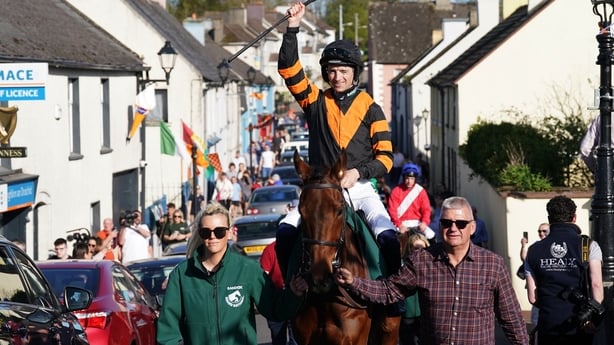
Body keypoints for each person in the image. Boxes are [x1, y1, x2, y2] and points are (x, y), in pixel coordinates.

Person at [277, 2, 401, 301]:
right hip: (321, 191)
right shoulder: (314, 101)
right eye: (331, 71)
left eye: (343, 71)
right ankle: (290, 291)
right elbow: (288, 69)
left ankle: (395, 297)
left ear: (354, 73)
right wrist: (292, 27)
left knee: (388, 238)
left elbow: (385, 157)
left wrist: (359, 172)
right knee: (284, 233)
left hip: (359, 189)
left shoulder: (372, 109)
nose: (337, 77)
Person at [332, 196, 530, 345]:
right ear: (440, 224)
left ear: (472, 228)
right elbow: (389, 291)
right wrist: (353, 282)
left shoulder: (492, 264)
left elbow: (511, 318)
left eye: (460, 224)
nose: (453, 228)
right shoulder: (422, 260)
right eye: (446, 222)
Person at [156, 202, 303, 345]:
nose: (212, 237)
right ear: (200, 234)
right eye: (206, 232)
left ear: (229, 232)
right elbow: (168, 330)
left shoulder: (248, 269)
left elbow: (275, 308)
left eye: (219, 231)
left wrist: (293, 294)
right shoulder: (182, 275)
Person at [525, 196, 604, 345]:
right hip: (581, 323)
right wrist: (591, 317)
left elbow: (533, 298)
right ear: (574, 217)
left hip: (549, 324)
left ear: (549, 219)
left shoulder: (533, 250)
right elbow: (597, 286)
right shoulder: (588, 245)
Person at [260, 241, 297, 345]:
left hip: (294, 298)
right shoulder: (270, 250)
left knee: (295, 338)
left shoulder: (298, 249)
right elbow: (263, 277)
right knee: (278, 338)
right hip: (276, 300)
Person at [387, 163, 435, 243]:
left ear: (415, 178)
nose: (409, 181)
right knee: (390, 241)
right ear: (403, 177)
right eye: (407, 178)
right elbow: (392, 211)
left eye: (412, 178)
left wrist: (424, 222)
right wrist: (399, 225)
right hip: (400, 223)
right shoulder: (396, 191)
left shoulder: (421, 191)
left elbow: (426, 209)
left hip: (417, 223)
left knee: (432, 236)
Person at [398, 233, 429, 345]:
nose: (419, 251)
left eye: (422, 248)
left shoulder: (432, 266)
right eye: (416, 248)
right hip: (408, 314)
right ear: (409, 249)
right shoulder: (402, 265)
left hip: (425, 315)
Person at [519, 222, 550, 327]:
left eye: (544, 231)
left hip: (551, 293)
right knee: (536, 324)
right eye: (539, 231)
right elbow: (524, 258)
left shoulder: (554, 247)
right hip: (538, 292)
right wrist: (523, 246)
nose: (541, 233)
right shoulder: (535, 247)